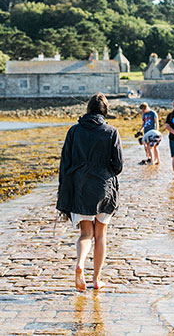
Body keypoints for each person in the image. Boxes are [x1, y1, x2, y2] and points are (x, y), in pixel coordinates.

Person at [56, 93, 123, 292]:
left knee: (85, 234)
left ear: (88, 109)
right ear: (105, 110)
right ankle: (96, 279)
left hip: (80, 186)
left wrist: (63, 191)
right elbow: (118, 166)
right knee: (101, 234)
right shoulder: (111, 132)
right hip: (104, 187)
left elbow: (65, 163)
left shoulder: (74, 131)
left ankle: (80, 264)